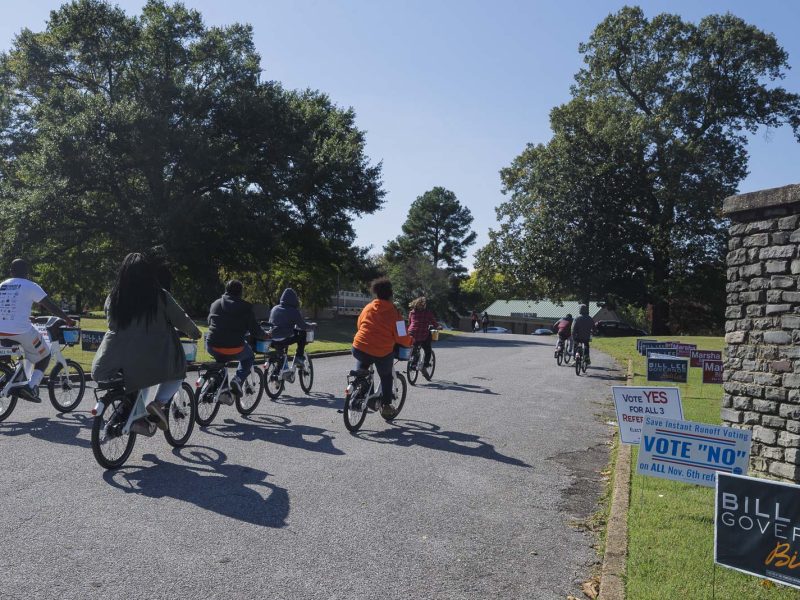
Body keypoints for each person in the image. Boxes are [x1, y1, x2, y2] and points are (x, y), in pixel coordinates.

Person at [92, 253, 201, 431]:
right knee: (178, 372)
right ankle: (158, 404)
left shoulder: (114, 297)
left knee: (138, 377)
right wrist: (194, 333)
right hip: (152, 357)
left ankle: (136, 416)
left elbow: (110, 321)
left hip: (113, 358)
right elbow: (181, 319)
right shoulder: (159, 296)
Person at [0, 259, 75, 402]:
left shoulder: (3, 285)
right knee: (45, 355)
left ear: (11, 271)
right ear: (27, 273)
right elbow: (50, 306)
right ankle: (31, 386)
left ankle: (16, 378)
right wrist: (67, 319)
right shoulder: (31, 286)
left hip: (1, 330)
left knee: (21, 351)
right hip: (20, 331)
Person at [352, 277, 412, 414]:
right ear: (391, 296)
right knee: (386, 376)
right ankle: (386, 405)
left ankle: (360, 390)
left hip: (359, 346)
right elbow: (402, 337)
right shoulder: (395, 313)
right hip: (381, 351)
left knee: (362, 369)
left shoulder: (368, 307)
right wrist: (410, 342)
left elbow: (359, 324)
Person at [206, 280, 268, 398]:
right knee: (249, 356)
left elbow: (210, 321)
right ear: (240, 293)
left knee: (221, 359)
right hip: (234, 348)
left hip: (212, 345)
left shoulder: (215, 304)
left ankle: (223, 389)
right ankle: (238, 380)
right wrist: (265, 335)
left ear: (226, 290)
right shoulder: (246, 308)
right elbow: (255, 331)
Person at [268, 288, 311, 368]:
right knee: (302, 333)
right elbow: (303, 326)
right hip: (285, 338)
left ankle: (281, 368)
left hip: (272, 338)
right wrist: (312, 325)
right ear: (294, 299)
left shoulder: (274, 308)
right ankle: (299, 357)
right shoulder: (294, 311)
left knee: (281, 353)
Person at [408, 297, 440, 369]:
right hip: (423, 333)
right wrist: (438, 327)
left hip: (412, 332)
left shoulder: (412, 312)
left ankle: (413, 364)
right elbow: (434, 322)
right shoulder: (427, 313)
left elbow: (410, 323)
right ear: (424, 305)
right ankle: (426, 364)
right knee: (427, 349)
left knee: (415, 347)